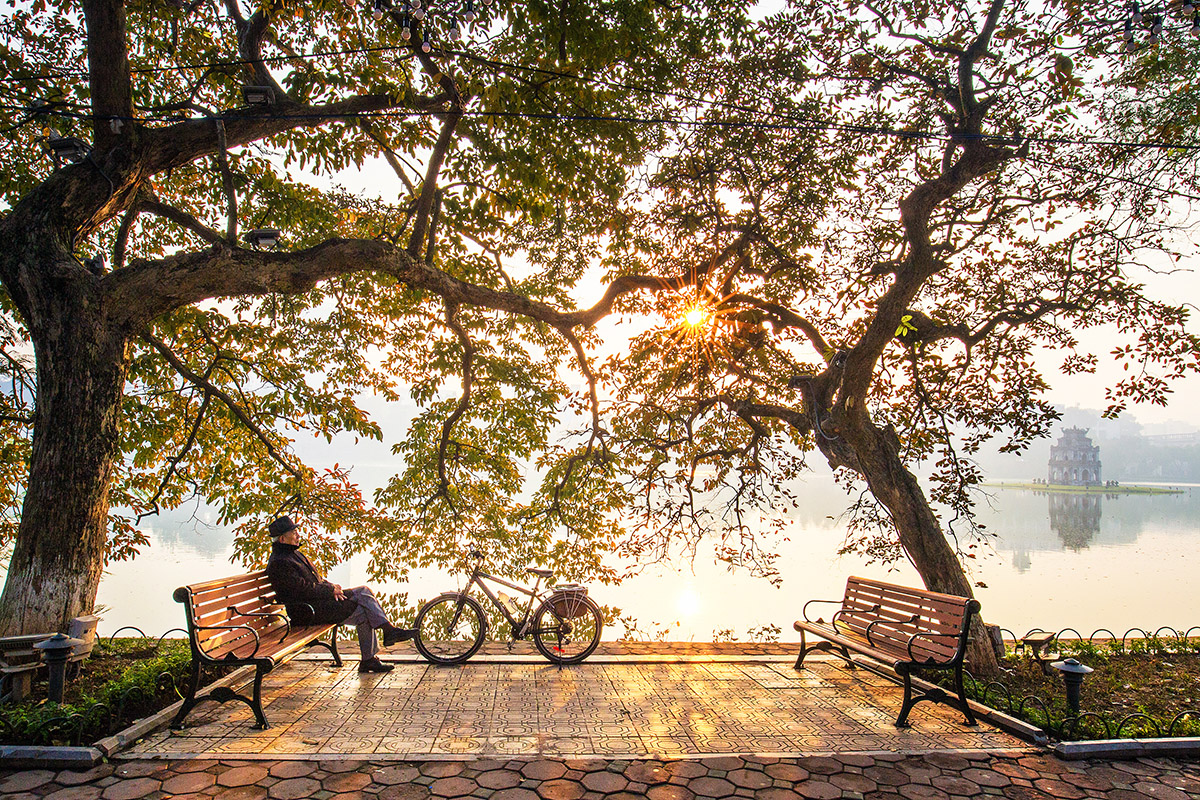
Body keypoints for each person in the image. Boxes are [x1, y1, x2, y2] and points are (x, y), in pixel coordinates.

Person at [265, 515, 413, 673]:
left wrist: (332, 586)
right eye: (294, 533)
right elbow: (302, 590)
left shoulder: (293, 554)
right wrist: (329, 591)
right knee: (364, 613)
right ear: (282, 539)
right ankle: (371, 656)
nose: (298, 535)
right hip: (307, 611)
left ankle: (387, 631)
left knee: (363, 591)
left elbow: (316, 580)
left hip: (317, 602)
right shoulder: (280, 562)